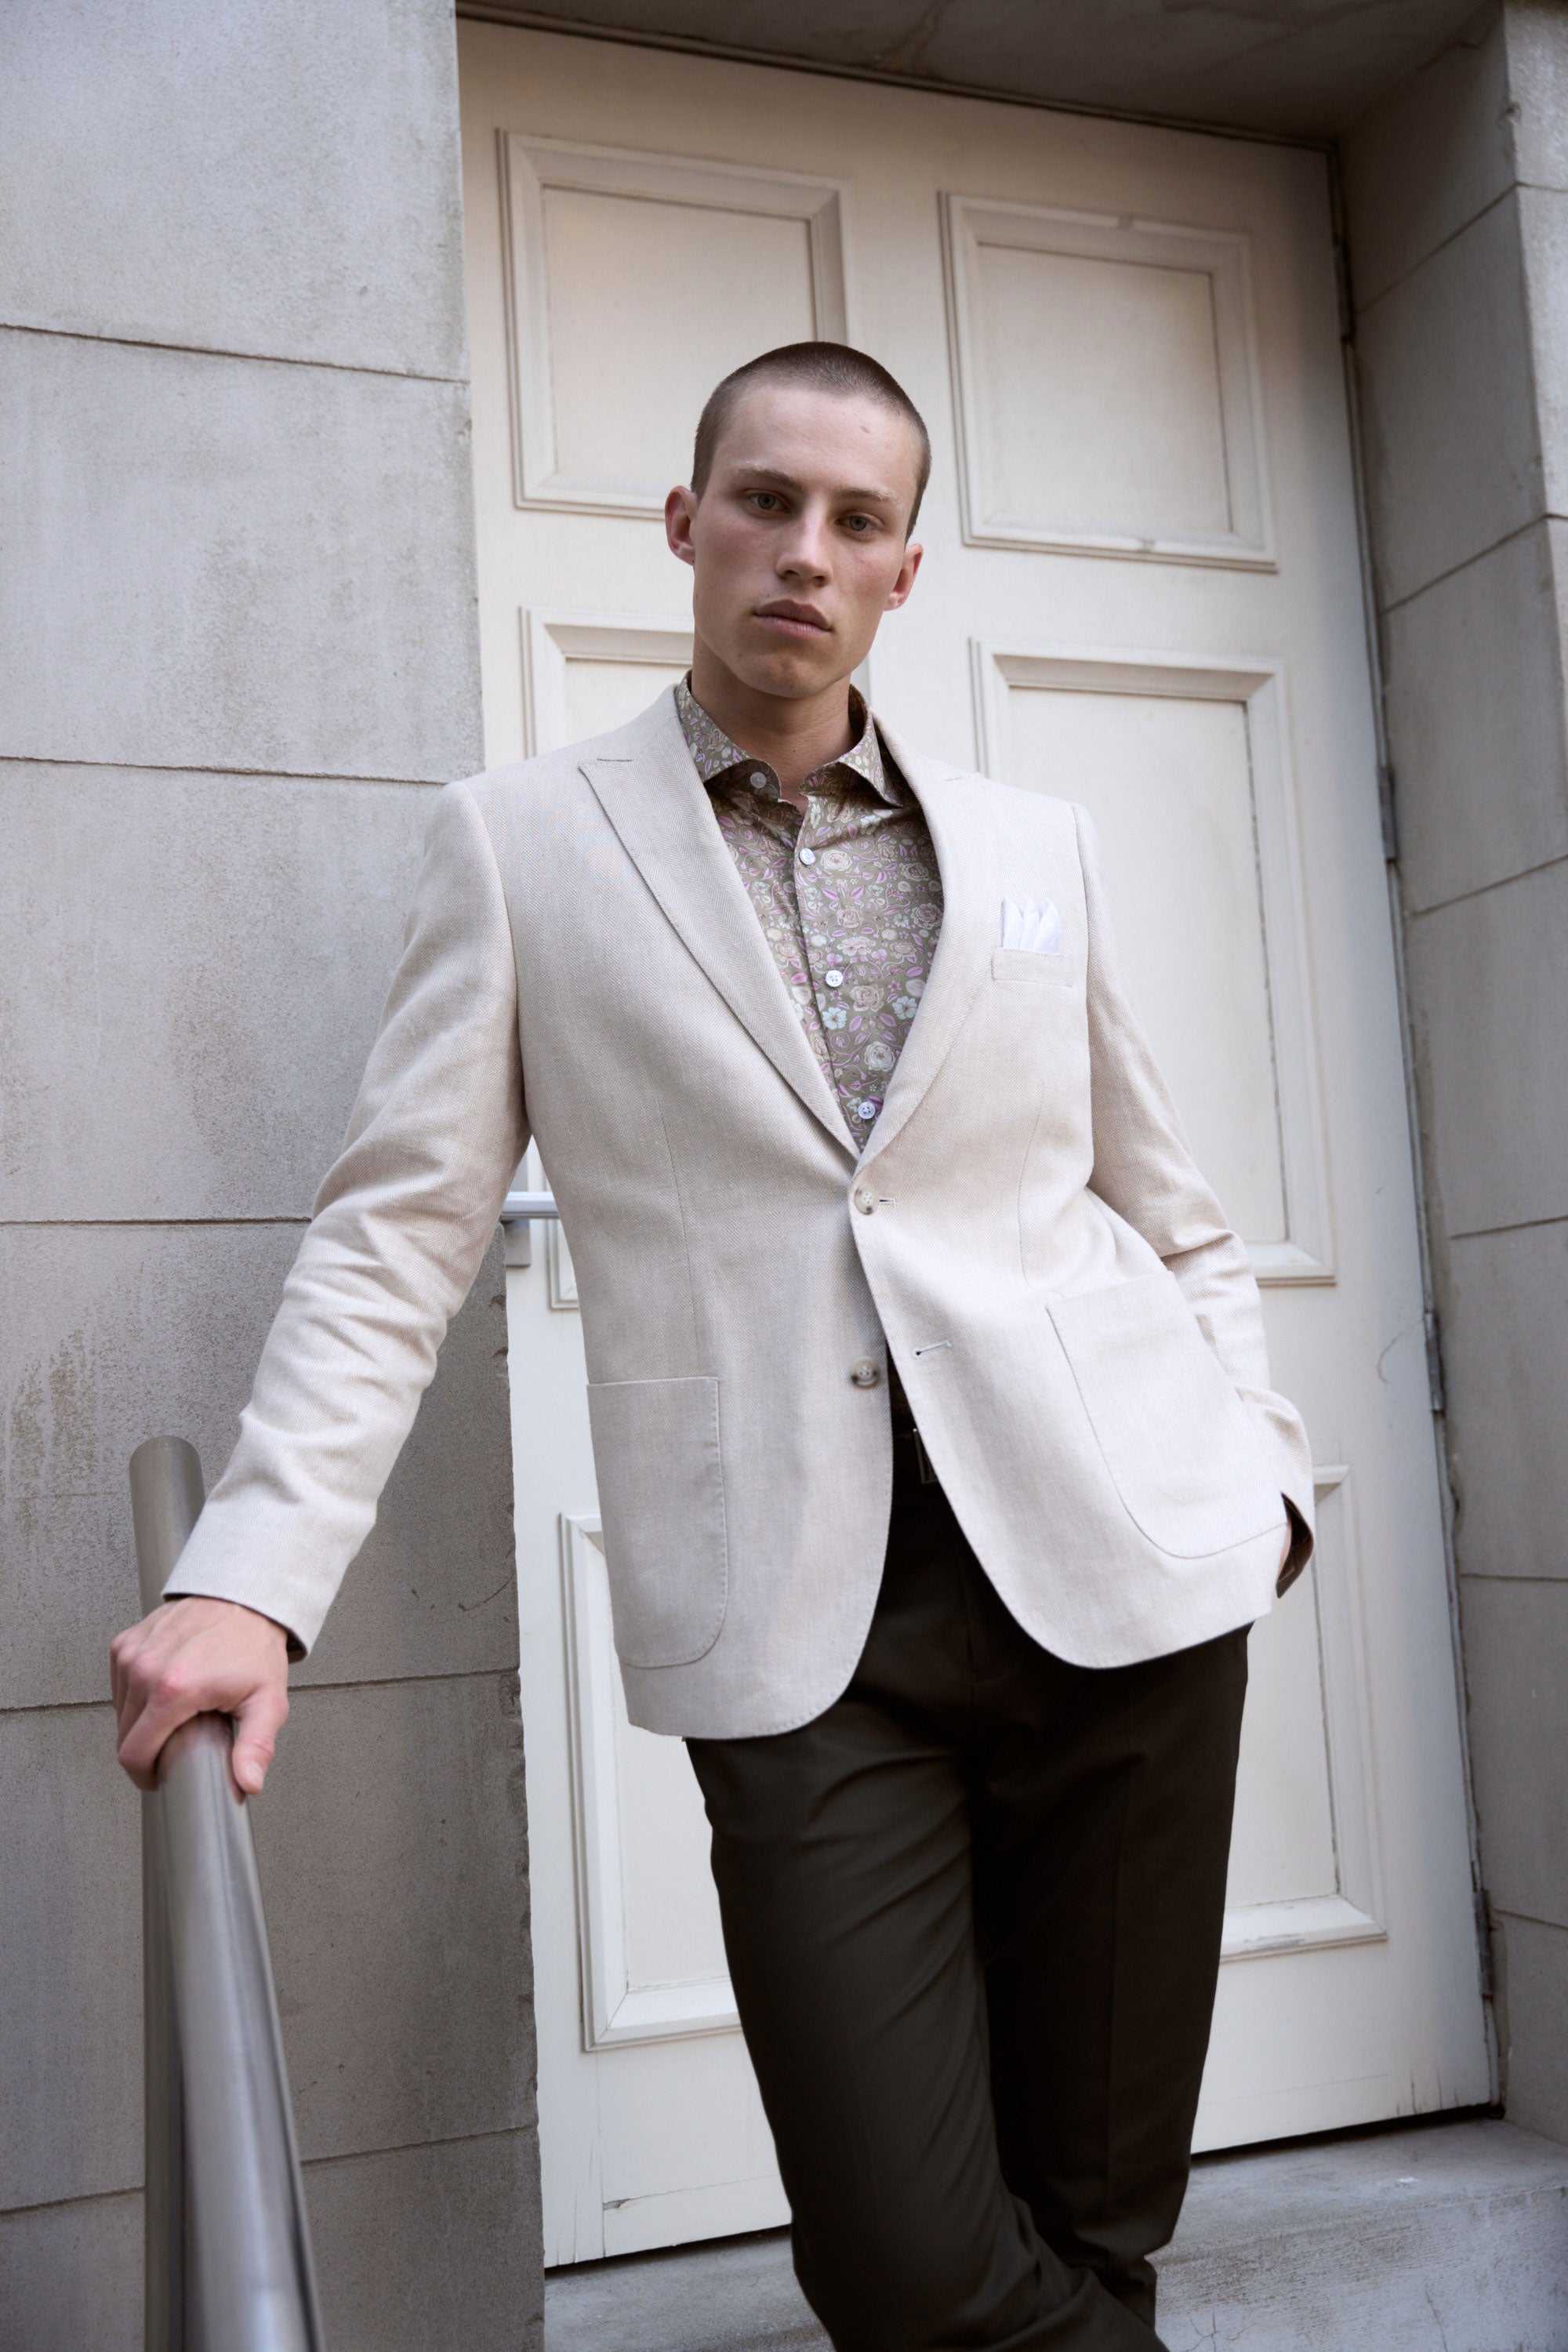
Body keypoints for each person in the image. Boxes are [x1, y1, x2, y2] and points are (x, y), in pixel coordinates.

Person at [111, 342, 1312, 2350]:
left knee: (1095, 2222)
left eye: (855, 520)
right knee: (908, 2267)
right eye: (763, 501)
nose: (801, 552)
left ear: (902, 574)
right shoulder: (521, 844)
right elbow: (394, 1232)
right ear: (685, 523)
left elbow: (1168, 1207)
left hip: (1123, 1585)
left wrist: (1259, 1475)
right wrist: (253, 1574)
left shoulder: (1037, 850)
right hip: (797, 1622)